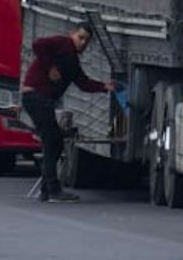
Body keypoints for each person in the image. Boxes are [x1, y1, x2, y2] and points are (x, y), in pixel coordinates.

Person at [21, 23, 114, 202]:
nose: (82, 43)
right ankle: (52, 190)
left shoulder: (72, 61)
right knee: (52, 141)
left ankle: (47, 189)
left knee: (54, 142)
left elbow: (83, 82)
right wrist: (50, 67)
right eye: (80, 37)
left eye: (86, 40)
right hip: (36, 96)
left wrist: (104, 87)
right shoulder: (63, 44)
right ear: (72, 34)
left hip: (41, 99)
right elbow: (37, 44)